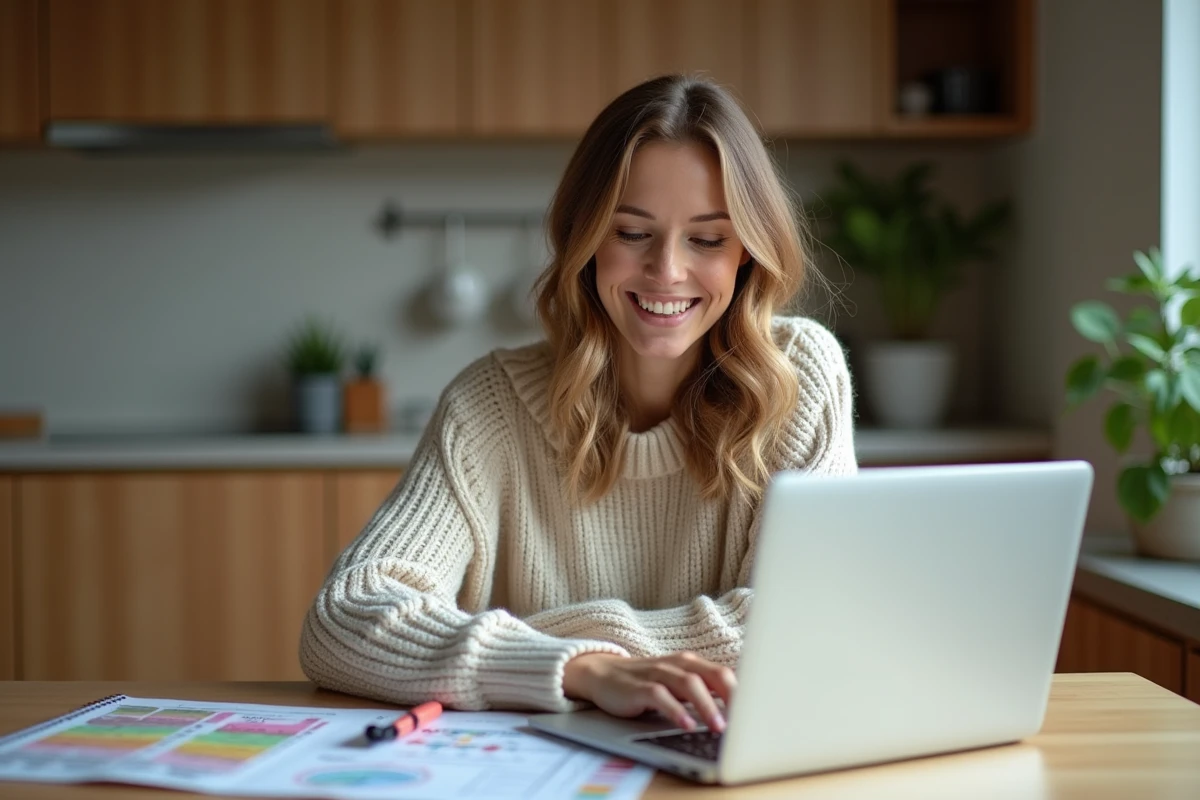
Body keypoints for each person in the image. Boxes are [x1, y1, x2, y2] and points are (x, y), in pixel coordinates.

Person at [299, 74, 856, 735]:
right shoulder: (490, 405)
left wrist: (531, 639)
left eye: (707, 239)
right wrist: (581, 669)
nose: (667, 271)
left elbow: (809, 620)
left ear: (748, 253)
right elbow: (342, 620)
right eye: (631, 233)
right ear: (584, 240)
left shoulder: (798, 379)